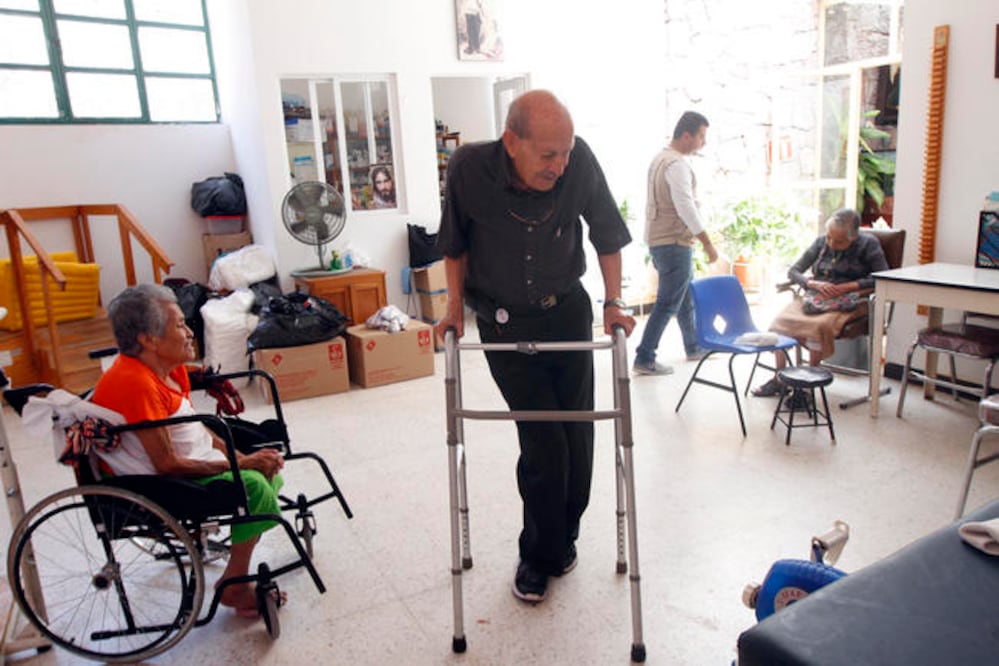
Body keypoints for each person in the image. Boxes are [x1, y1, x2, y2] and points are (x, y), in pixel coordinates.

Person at [435, 90, 636, 604]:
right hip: (503, 323)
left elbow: (607, 234)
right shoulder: (469, 169)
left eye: (565, 151)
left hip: (567, 310)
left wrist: (614, 301)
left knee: (578, 439)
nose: (560, 164)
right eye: (548, 154)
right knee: (544, 441)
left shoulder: (578, 161)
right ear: (511, 142)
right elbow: (454, 245)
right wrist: (454, 308)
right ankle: (537, 555)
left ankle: (561, 538)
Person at [91, 284, 285, 618]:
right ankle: (235, 583)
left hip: (195, 462)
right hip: (159, 483)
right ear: (148, 339)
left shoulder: (170, 368)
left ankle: (239, 559)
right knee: (254, 487)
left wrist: (241, 459)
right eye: (180, 324)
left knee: (268, 471)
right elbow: (166, 462)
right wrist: (242, 465)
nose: (189, 331)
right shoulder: (135, 383)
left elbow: (198, 430)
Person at [752, 208, 889, 397]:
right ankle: (780, 380)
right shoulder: (821, 242)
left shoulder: (869, 245)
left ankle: (808, 384)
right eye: (829, 238)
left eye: (839, 241)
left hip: (850, 301)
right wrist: (810, 282)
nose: (831, 243)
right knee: (780, 323)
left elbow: (883, 277)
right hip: (814, 298)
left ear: (854, 236)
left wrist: (850, 286)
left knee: (817, 328)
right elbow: (794, 271)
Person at [633, 111, 719, 376]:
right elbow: (686, 206)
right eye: (701, 136)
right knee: (668, 302)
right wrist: (707, 243)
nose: (703, 142)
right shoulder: (677, 164)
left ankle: (693, 346)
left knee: (683, 297)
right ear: (686, 135)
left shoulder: (661, 158)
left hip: (661, 241)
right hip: (673, 242)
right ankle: (645, 357)